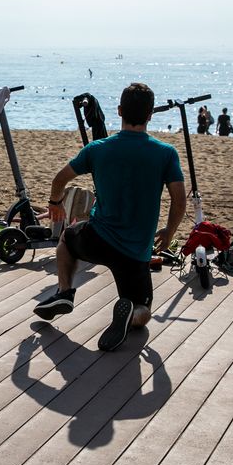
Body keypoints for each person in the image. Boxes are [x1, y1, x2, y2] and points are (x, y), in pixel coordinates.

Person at [33, 83, 186, 352]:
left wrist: (55, 203)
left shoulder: (98, 149)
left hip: (98, 239)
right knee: (143, 313)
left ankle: (65, 292)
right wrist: (169, 232)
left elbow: (60, 178)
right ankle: (130, 313)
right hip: (136, 252)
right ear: (150, 115)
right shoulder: (165, 153)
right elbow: (179, 199)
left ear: (119, 111)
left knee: (68, 238)